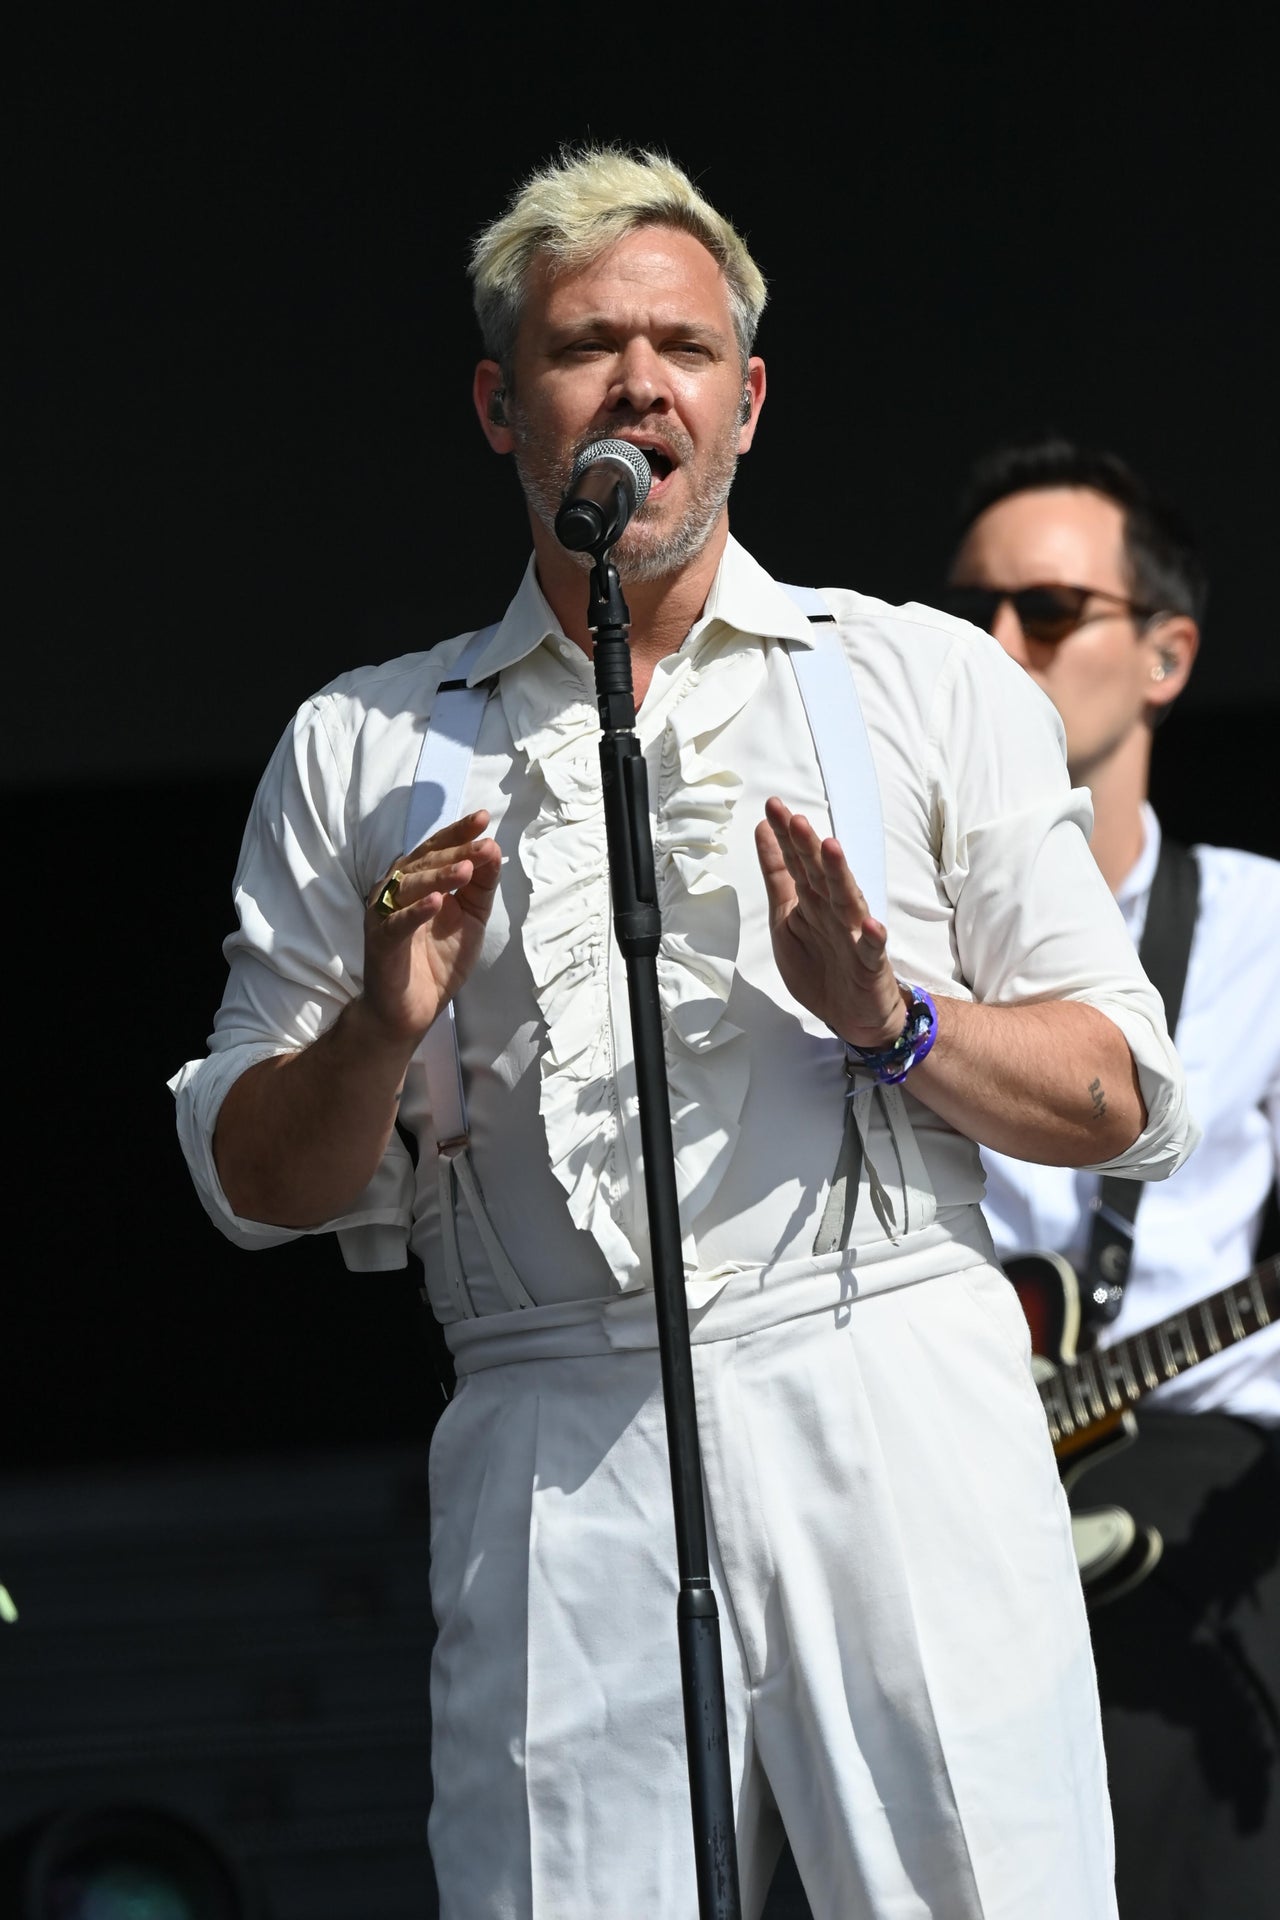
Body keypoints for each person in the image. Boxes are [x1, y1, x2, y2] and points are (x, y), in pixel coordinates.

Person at [171, 150, 1197, 1920]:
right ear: (504, 405)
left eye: (685, 347)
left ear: (748, 401)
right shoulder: (362, 742)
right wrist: (375, 1030)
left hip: (892, 1388)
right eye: (588, 347)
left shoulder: (923, 680)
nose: (642, 382)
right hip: (553, 1430)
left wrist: (893, 1018)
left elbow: (1116, 1089)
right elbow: (251, 1184)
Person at [944, 439, 1280, 1918]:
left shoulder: (1269, 927)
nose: (999, 646)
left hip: (1199, 1478)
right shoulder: (875, 927)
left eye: (1049, 609)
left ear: (1166, 656)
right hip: (949, 1481)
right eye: (972, 614)